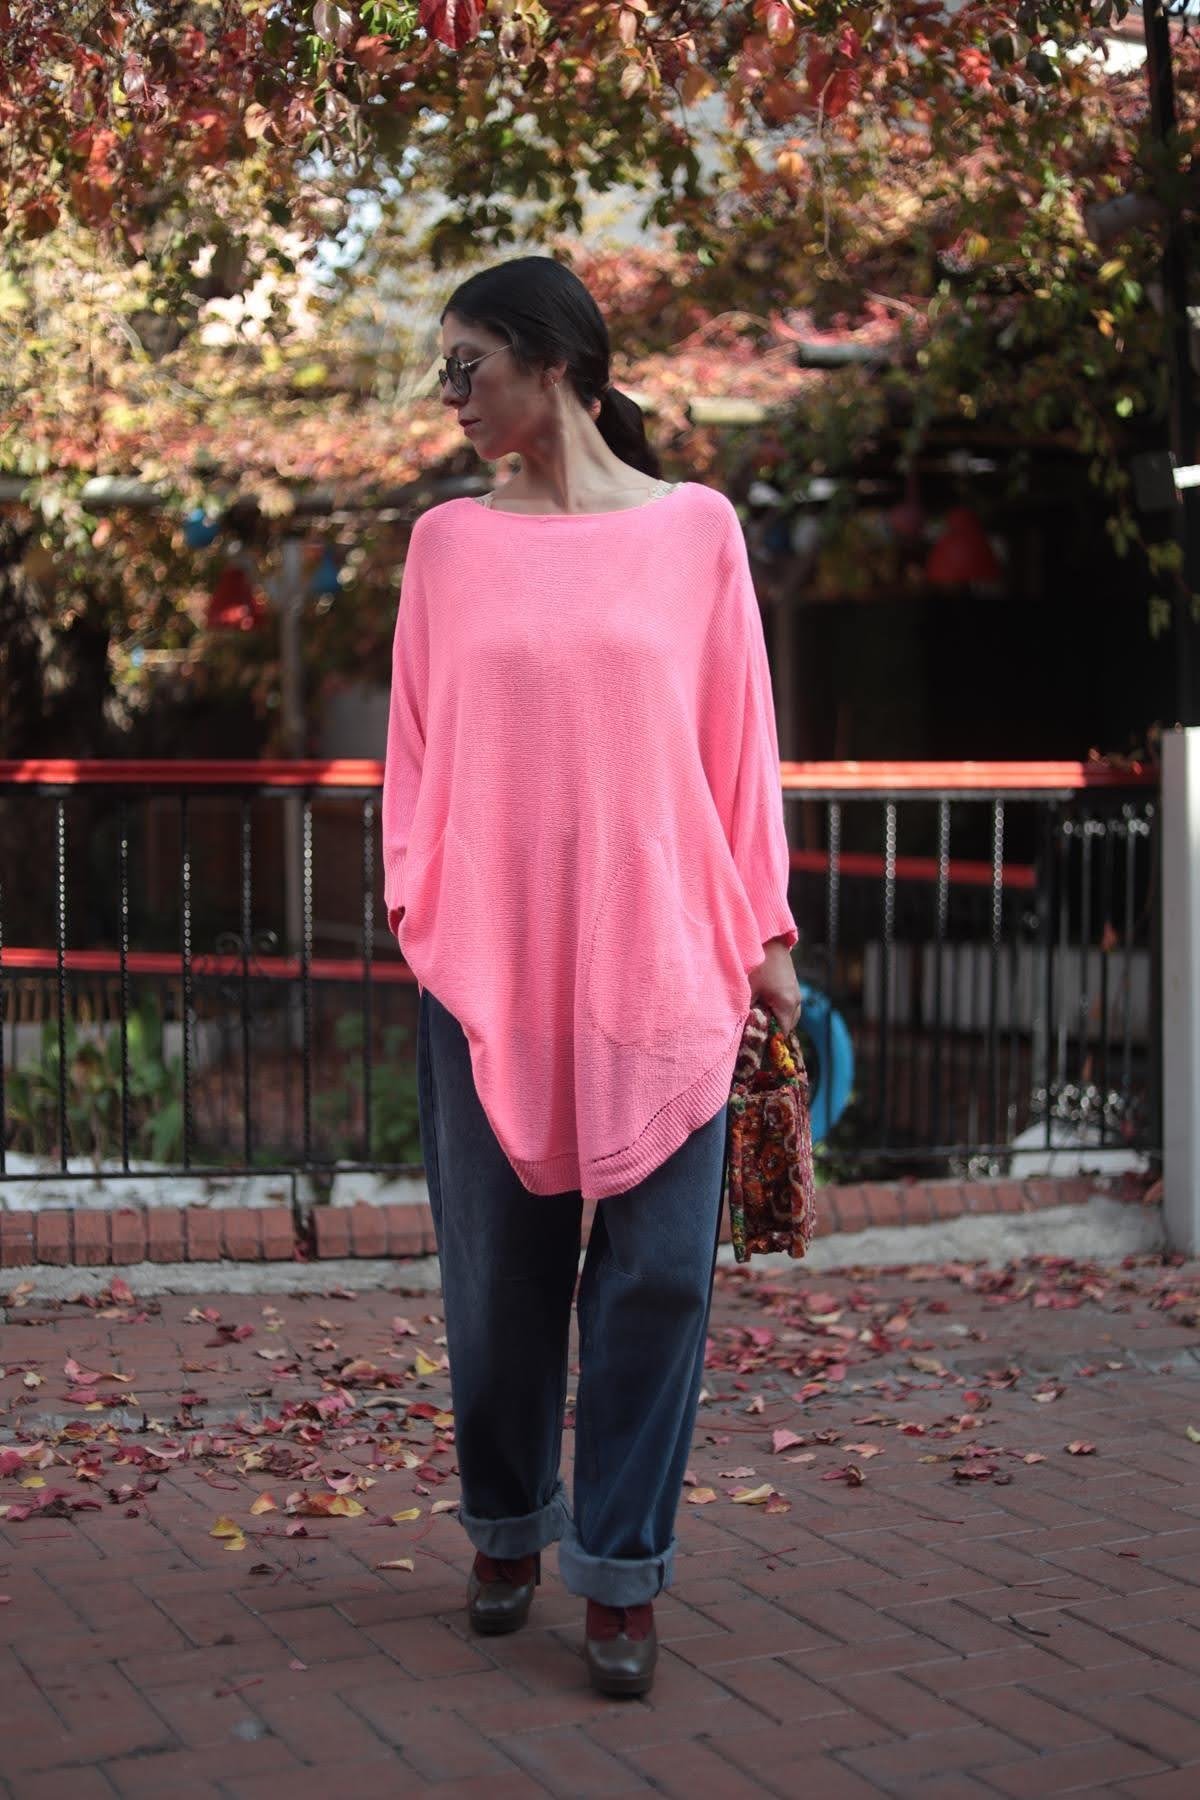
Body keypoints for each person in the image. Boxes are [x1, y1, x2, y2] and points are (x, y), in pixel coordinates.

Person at [382, 255, 800, 1699]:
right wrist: (420, 905)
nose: (448, 393)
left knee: (663, 1278)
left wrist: (766, 936)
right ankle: (507, 1525)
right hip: (488, 965)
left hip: (668, 952)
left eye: (467, 363)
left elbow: (740, 747)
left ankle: (621, 1569)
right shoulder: (444, 547)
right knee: (501, 1281)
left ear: (552, 361)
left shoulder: (696, 532)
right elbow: (413, 753)